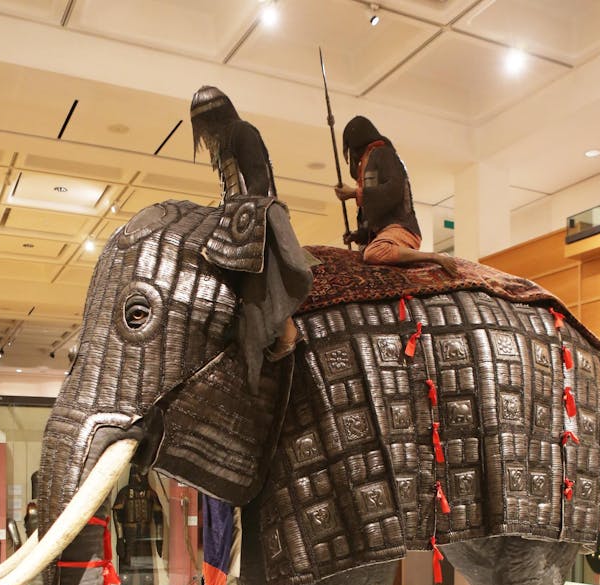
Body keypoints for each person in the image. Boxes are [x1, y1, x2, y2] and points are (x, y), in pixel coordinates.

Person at [190, 86, 312, 381]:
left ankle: (287, 332)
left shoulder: (242, 132)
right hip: (238, 216)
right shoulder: (223, 143)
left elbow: (258, 179)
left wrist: (243, 217)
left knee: (259, 276)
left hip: (255, 216)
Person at [334, 115, 456, 274]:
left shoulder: (383, 153)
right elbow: (371, 211)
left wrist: (355, 193)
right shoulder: (368, 162)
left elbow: (394, 190)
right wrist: (359, 235)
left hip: (400, 228)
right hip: (383, 233)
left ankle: (434, 257)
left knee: (374, 253)